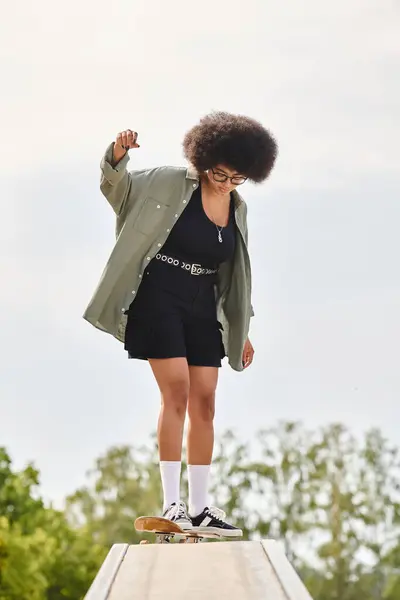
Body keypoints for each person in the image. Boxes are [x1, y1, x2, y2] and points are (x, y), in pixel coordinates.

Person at [83, 111, 278, 537]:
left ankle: (201, 508)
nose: (225, 183)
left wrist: (241, 329)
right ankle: (173, 505)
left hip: (201, 306)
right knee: (177, 390)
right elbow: (118, 191)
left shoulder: (237, 209)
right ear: (203, 158)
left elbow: (233, 278)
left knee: (206, 400)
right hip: (158, 296)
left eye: (236, 178)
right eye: (219, 173)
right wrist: (117, 157)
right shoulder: (170, 182)